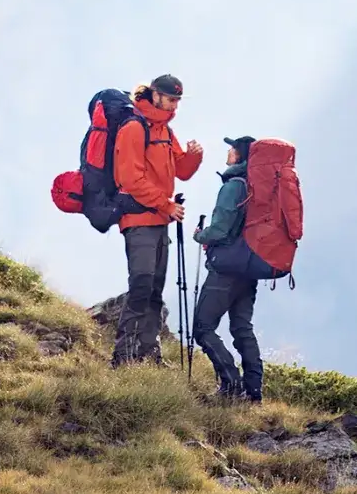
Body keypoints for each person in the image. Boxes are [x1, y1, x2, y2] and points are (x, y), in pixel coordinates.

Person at [110, 74, 203, 368]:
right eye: (171, 98)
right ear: (155, 94)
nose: (175, 104)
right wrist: (167, 204)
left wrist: (194, 157)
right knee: (141, 283)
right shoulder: (134, 127)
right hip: (138, 219)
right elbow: (130, 178)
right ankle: (123, 355)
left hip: (160, 220)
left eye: (178, 100)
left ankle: (149, 352)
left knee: (155, 288)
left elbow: (182, 171)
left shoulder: (164, 130)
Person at [192, 136, 264, 403]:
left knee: (203, 327)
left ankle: (231, 385)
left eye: (232, 148)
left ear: (239, 155)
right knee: (242, 328)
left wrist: (201, 235)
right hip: (249, 268)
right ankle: (253, 391)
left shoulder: (234, 186)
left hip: (226, 270)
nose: (228, 151)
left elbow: (220, 230)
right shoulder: (258, 187)